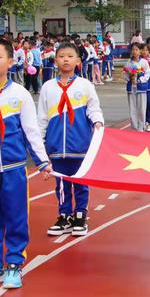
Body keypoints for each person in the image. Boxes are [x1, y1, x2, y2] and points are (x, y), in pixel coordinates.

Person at [0, 38, 51, 289]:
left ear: (10, 62)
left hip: (13, 170)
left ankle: (14, 264)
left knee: (16, 217)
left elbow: (31, 131)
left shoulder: (19, 94)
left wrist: (43, 162)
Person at [38, 42, 104, 238]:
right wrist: (40, 144)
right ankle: (65, 215)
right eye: (61, 56)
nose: (65, 59)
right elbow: (41, 118)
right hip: (56, 147)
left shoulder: (85, 85)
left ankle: (81, 216)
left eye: (70, 56)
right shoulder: (48, 87)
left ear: (77, 60)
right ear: (55, 60)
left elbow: (94, 109)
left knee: (81, 182)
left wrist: (98, 123)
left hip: (81, 146)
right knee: (61, 184)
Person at [124, 43, 150, 131]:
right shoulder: (128, 63)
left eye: (136, 50)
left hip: (141, 87)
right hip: (131, 88)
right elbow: (125, 75)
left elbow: (147, 74)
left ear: (140, 51)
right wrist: (129, 77)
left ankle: (141, 126)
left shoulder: (144, 62)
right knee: (132, 108)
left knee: (142, 108)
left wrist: (139, 80)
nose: (134, 51)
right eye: (133, 50)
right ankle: (134, 127)